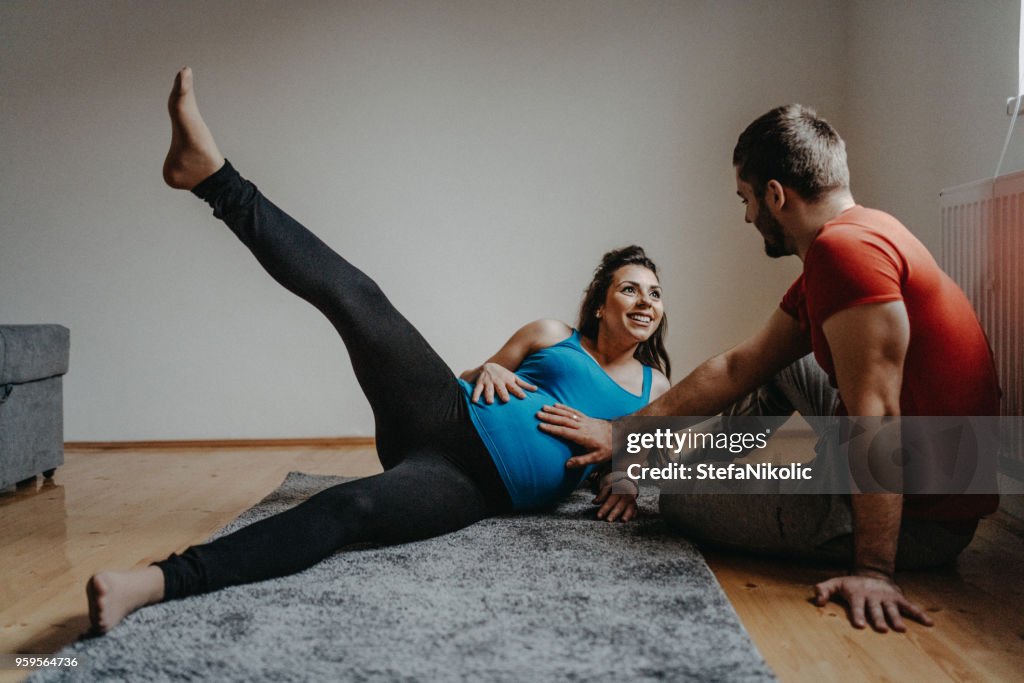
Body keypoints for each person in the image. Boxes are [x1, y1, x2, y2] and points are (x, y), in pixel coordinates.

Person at [85, 67, 671, 634]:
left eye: (655, 294)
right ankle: (213, 178)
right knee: (359, 299)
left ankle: (153, 583)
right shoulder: (550, 333)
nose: (645, 301)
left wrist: (623, 477)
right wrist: (489, 366)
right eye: (630, 288)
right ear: (601, 303)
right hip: (447, 408)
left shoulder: (656, 389)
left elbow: (638, 453)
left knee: (352, 509)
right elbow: (472, 374)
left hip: (473, 486)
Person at [538, 104, 1000, 634]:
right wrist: (628, 438)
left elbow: (878, 414)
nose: (746, 215)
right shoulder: (865, 232)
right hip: (919, 464)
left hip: (924, 519)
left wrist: (873, 570)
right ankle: (729, 465)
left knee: (680, 500)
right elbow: (740, 366)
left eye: (746, 198)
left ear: (776, 195)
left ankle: (727, 476)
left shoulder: (844, 253)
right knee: (774, 371)